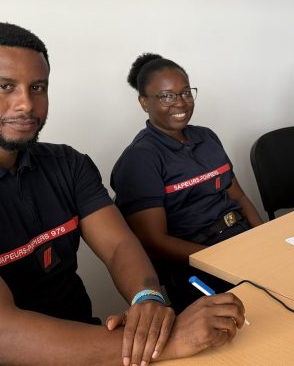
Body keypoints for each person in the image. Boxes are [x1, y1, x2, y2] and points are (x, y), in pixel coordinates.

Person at [0, 23, 246, 366]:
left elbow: (119, 245)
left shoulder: (68, 164)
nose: (25, 104)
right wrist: (171, 341)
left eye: (37, 87)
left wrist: (148, 298)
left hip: (89, 347)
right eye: (4, 86)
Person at [111, 54, 263, 313]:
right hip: (200, 265)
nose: (180, 102)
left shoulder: (206, 137)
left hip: (242, 242)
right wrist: (218, 260)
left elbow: (238, 196)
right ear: (144, 102)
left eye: (185, 93)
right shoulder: (140, 159)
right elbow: (154, 241)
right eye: (167, 96)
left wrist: (264, 236)